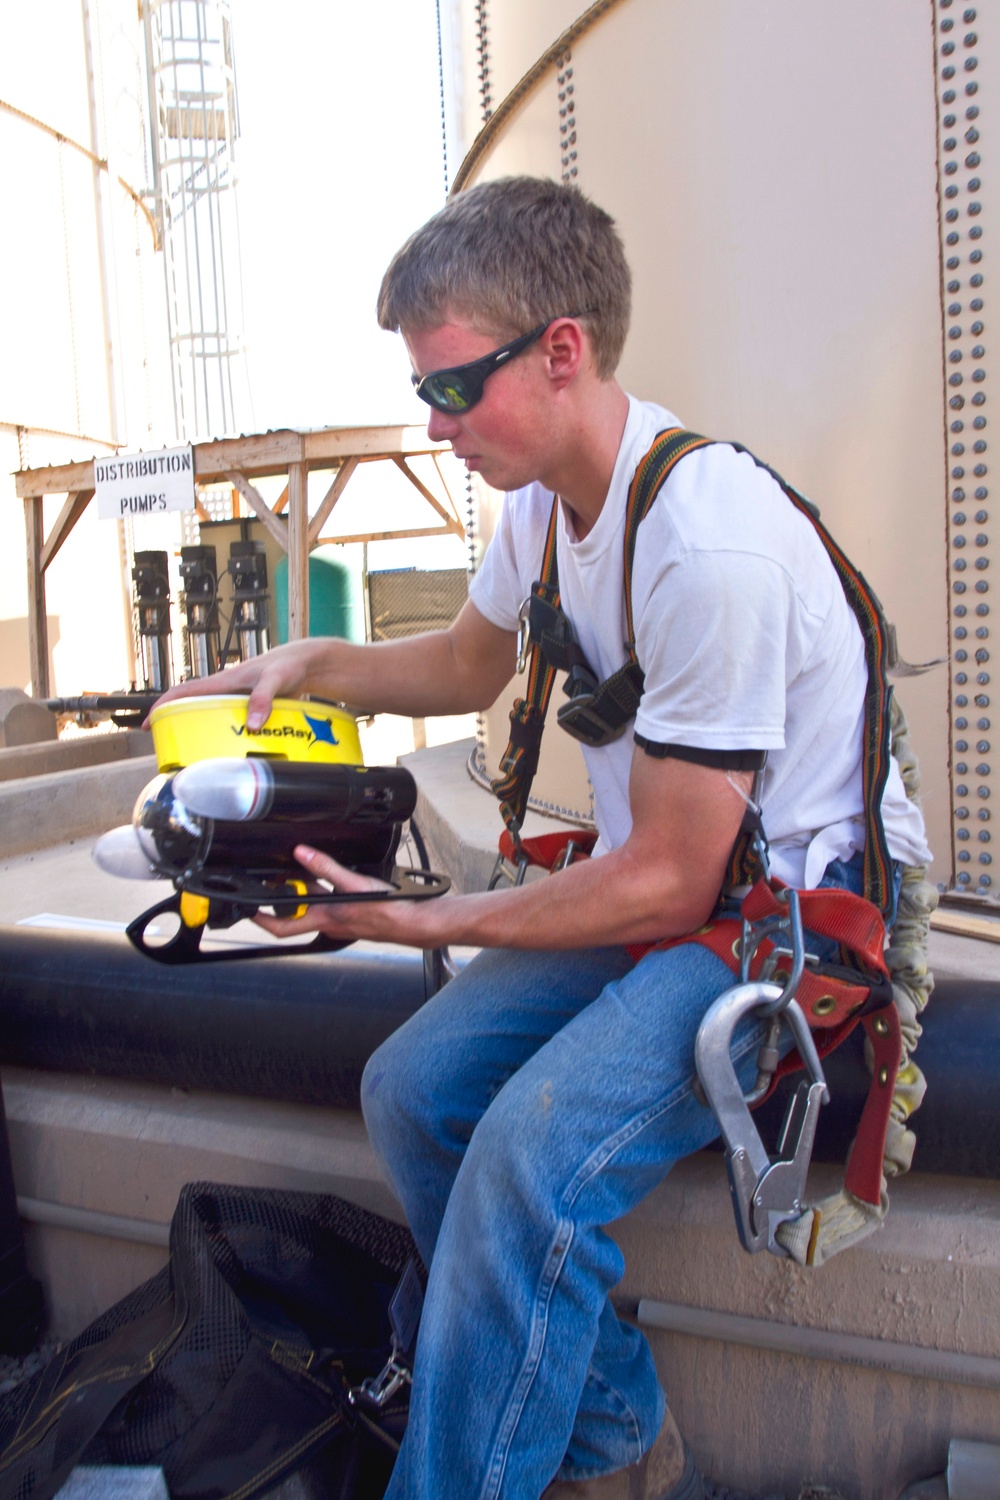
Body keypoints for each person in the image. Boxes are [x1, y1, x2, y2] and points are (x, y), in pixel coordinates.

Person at [152, 176, 931, 1499]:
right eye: (425, 394)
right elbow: (464, 667)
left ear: (560, 349)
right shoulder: (538, 502)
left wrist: (431, 920)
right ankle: (622, 1442)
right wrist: (304, 665)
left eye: (455, 388)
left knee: (527, 1158)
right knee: (411, 1092)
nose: (439, 423)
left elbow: (678, 875)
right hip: (676, 893)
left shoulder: (709, 541)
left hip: (782, 925)